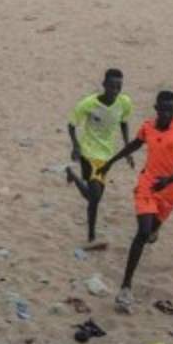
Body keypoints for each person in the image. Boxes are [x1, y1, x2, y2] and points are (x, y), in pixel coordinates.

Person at [99, 90, 173, 313]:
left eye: (171, 110)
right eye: (163, 109)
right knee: (142, 233)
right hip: (148, 185)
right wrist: (111, 162)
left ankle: (157, 228)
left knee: (152, 231)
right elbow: (134, 145)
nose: (167, 113)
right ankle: (126, 286)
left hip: (170, 192)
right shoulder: (147, 127)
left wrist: (169, 180)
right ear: (156, 109)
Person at [65, 69, 133, 248]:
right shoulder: (88, 104)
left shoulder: (124, 103)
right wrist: (76, 146)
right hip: (88, 153)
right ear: (104, 85)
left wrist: (128, 149)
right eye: (111, 86)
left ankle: (73, 176)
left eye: (118, 87)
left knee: (94, 197)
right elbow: (71, 125)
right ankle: (91, 235)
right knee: (94, 198)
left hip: (106, 157)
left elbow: (124, 123)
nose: (115, 90)